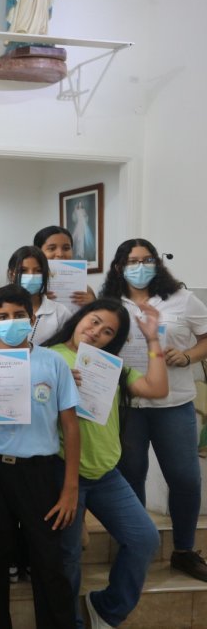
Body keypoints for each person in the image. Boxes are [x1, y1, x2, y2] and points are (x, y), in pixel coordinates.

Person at [0, 284, 80, 629]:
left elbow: (71, 426)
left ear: (32, 319)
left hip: (39, 472)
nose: (11, 322)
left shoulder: (53, 362)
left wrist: (70, 487)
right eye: (3, 317)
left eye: (19, 315)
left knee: (48, 560)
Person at [42, 298, 166, 628]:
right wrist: (53, 384)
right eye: (94, 321)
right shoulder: (49, 356)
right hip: (62, 470)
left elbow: (157, 388)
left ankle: (107, 608)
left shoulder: (111, 366)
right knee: (68, 557)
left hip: (107, 473)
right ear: (81, 316)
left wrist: (153, 339)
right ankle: (69, 623)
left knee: (144, 539)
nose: (97, 331)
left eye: (108, 331)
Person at [100, 238, 207, 582]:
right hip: (127, 405)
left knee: (185, 478)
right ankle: (135, 549)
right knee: (131, 477)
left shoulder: (181, 299)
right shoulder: (109, 303)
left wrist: (188, 356)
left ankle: (184, 550)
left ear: (158, 263)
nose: (141, 267)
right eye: (133, 261)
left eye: (148, 260)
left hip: (173, 403)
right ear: (119, 267)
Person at [0, 245, 71, 346]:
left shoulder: (60, 313)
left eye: (38, 271)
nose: (31, 276)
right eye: (23, 271)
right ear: (11, 274)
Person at [34, 225, 95, 306]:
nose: (60, 254)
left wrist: (93, 303)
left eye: (66, 248)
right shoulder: (30, 288)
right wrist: (35, 301)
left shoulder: (85, 290)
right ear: (38, 252)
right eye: (52, 248)